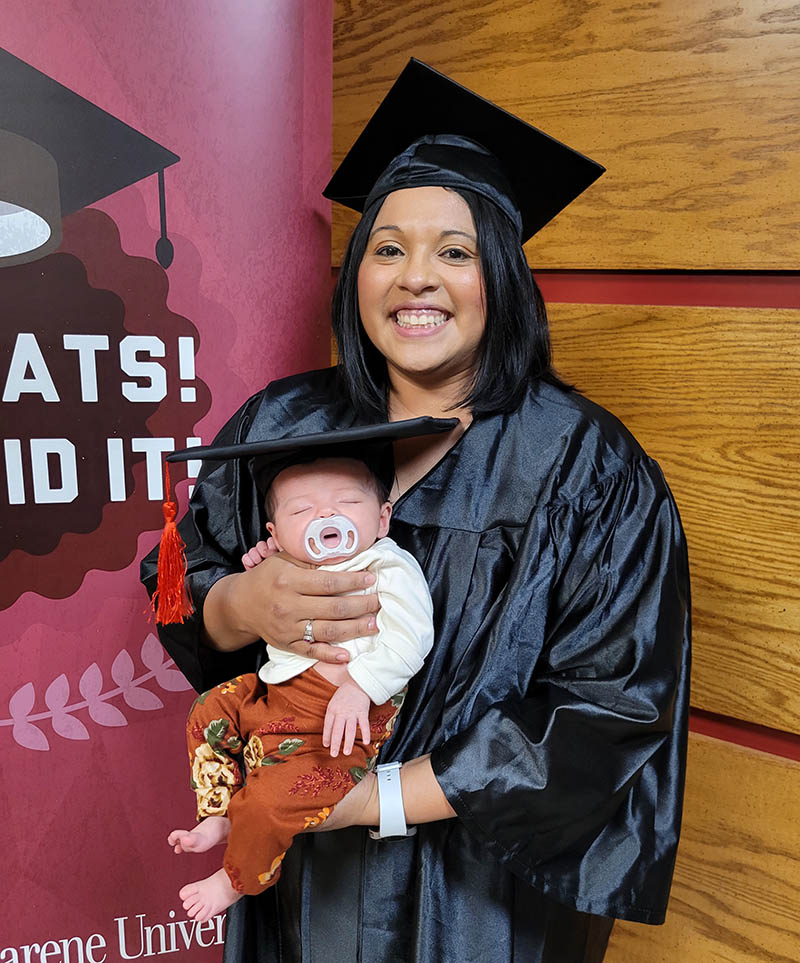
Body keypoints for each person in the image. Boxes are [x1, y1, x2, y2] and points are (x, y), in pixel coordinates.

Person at [142, 59, 690, 963]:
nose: (415, 278)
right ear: (358, 273)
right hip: (303, 882)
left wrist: (373, 799)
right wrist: (242, 605)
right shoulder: (283, 424)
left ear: (501, 277)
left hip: (479, 897)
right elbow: (183, 579)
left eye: (456, 251)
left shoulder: (586, 465)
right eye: (388, 247)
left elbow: (613, 706)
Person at [165, 449, 435, 924]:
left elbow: (413, 634)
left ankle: (235, 879)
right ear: (276, 533)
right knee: (210, 711)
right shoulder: (287, 561)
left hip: (337, 722)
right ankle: (221, 810)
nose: (325, 515)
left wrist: (361, 685)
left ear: (382, 517)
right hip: (275, 697)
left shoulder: (387, 566)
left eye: (347, 502)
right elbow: (268, 584)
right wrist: (262, 564)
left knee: (277, 797)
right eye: (300, 510)